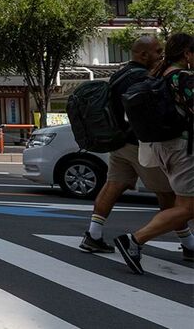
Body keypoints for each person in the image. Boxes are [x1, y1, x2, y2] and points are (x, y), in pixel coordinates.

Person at [78, 36, 191, 255]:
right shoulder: (141, 78)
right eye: (157, 52)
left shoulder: (120, 74)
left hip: (120, 143)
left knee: (112, 186)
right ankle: (187, 244)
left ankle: (93, 234)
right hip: (139, 145)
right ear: (143, 54)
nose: (161, 56)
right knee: (167, 193)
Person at [115, 33, 194, 274]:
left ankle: (186, 244)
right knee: (188, 208)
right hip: (182, 149)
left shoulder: (161, 74)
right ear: (187, 54)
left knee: (183, 204)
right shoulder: (182, 77)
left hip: (167, 147)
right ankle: (135, 240)